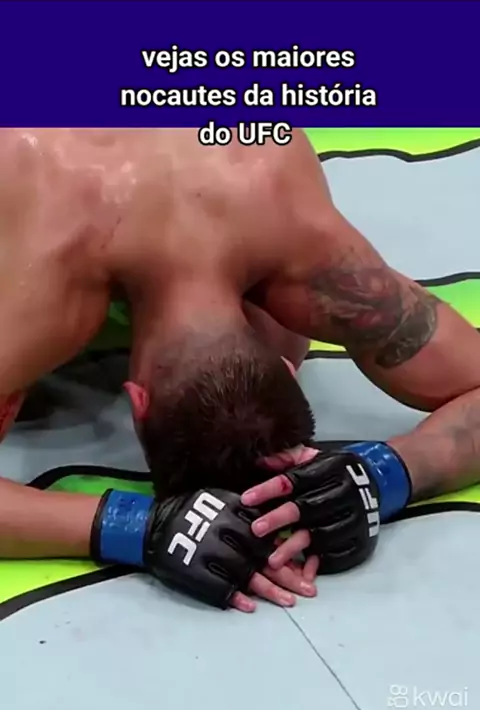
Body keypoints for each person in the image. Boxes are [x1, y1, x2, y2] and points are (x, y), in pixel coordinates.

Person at [1, 128, 480, 612]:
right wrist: (138, 526)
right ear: (137, 404)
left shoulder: (303, 241)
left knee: (277, 327)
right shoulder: (39, 299)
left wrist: (385, 473)